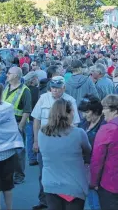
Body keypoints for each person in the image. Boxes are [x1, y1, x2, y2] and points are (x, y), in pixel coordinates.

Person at [31, 76, 81, 210]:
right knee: (44, 172)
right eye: (52, 87)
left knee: (63, 173)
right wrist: (36, 140)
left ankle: (62, 201)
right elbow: (36, 120)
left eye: (58, 88)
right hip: (45, 143)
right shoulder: (43, 98)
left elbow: (75, 123)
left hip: (63, 144)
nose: (55, 90)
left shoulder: (70, 101)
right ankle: (44, 200)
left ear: (63, 88)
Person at [38, 99, 91, 210]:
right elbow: (88, 154)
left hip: (50, 184)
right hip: (74, 185)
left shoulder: (42, 133)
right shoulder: (79, 133)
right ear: (68, 113)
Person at [3, 66, 32, 184]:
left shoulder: (25, 91)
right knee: (7, 150)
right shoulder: (7, 87)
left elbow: (27, 110)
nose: (7, 75)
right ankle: (9, 173)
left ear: (16, 76)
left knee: (18, 151)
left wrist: (20, 126)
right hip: (5, 124)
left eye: (9, 73)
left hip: (17, 123)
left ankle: (19, 175)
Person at [78, 95, 106, 210]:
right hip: (86, 167)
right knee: (91, 200)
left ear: (96, 111)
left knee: (98, 203)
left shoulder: (104, 125)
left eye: (87, 112)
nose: (84, 115)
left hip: (99, 169)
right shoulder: (84, 123)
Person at [23, 72, 40, 166]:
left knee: (29, 138)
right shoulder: (36, 90)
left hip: (27, 116)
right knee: (37, 136)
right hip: (36, 116)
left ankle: (31, 158)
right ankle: (36, 156)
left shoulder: (24, 90)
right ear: (33, 79)